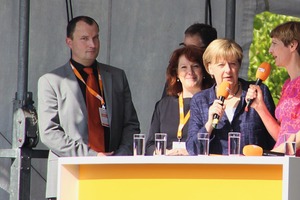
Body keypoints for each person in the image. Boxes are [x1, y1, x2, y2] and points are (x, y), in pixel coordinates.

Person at [37, 16, 140, 199]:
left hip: (112, 173)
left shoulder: (117, 76)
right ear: (69, 42)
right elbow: (49, 132)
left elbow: (131, 125)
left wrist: (118, 158)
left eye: (96, 37)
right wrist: (91, 156)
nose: (92, 44)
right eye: (84, 38)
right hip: (70, 173)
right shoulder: (51, 81)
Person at [186, 38, 276, 155]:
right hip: (215, 171)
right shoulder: (200, 100)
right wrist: (209, 125)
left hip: (253, 170)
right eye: (221, 65)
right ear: (209, 68)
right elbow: (192, 149)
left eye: (233, 64)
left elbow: (276, 140)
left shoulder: (258, 91)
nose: (228, 70)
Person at [146, 45, 214, 155]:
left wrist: (190, 151)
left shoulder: (212, 104)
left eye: (195, 66)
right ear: (176, 73)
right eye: (184, 67)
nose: (190, 72)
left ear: (204, 72)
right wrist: (164, 153)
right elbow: (149, 145)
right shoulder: (163, 105)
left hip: (199, 168)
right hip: (167, 168)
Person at [245, 21, 300, 155]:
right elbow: (281, 136)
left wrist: (275, 152)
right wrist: (260, 107)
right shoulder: (288, 85)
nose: (270, 50)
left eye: (274, 44)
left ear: (292, 45)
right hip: (286, 161)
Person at [161, 23, 217, 97]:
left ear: (209, 49)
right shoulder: (175, 80)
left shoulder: (219, 77)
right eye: (184, 47)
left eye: (193, 49)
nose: (187, 52)